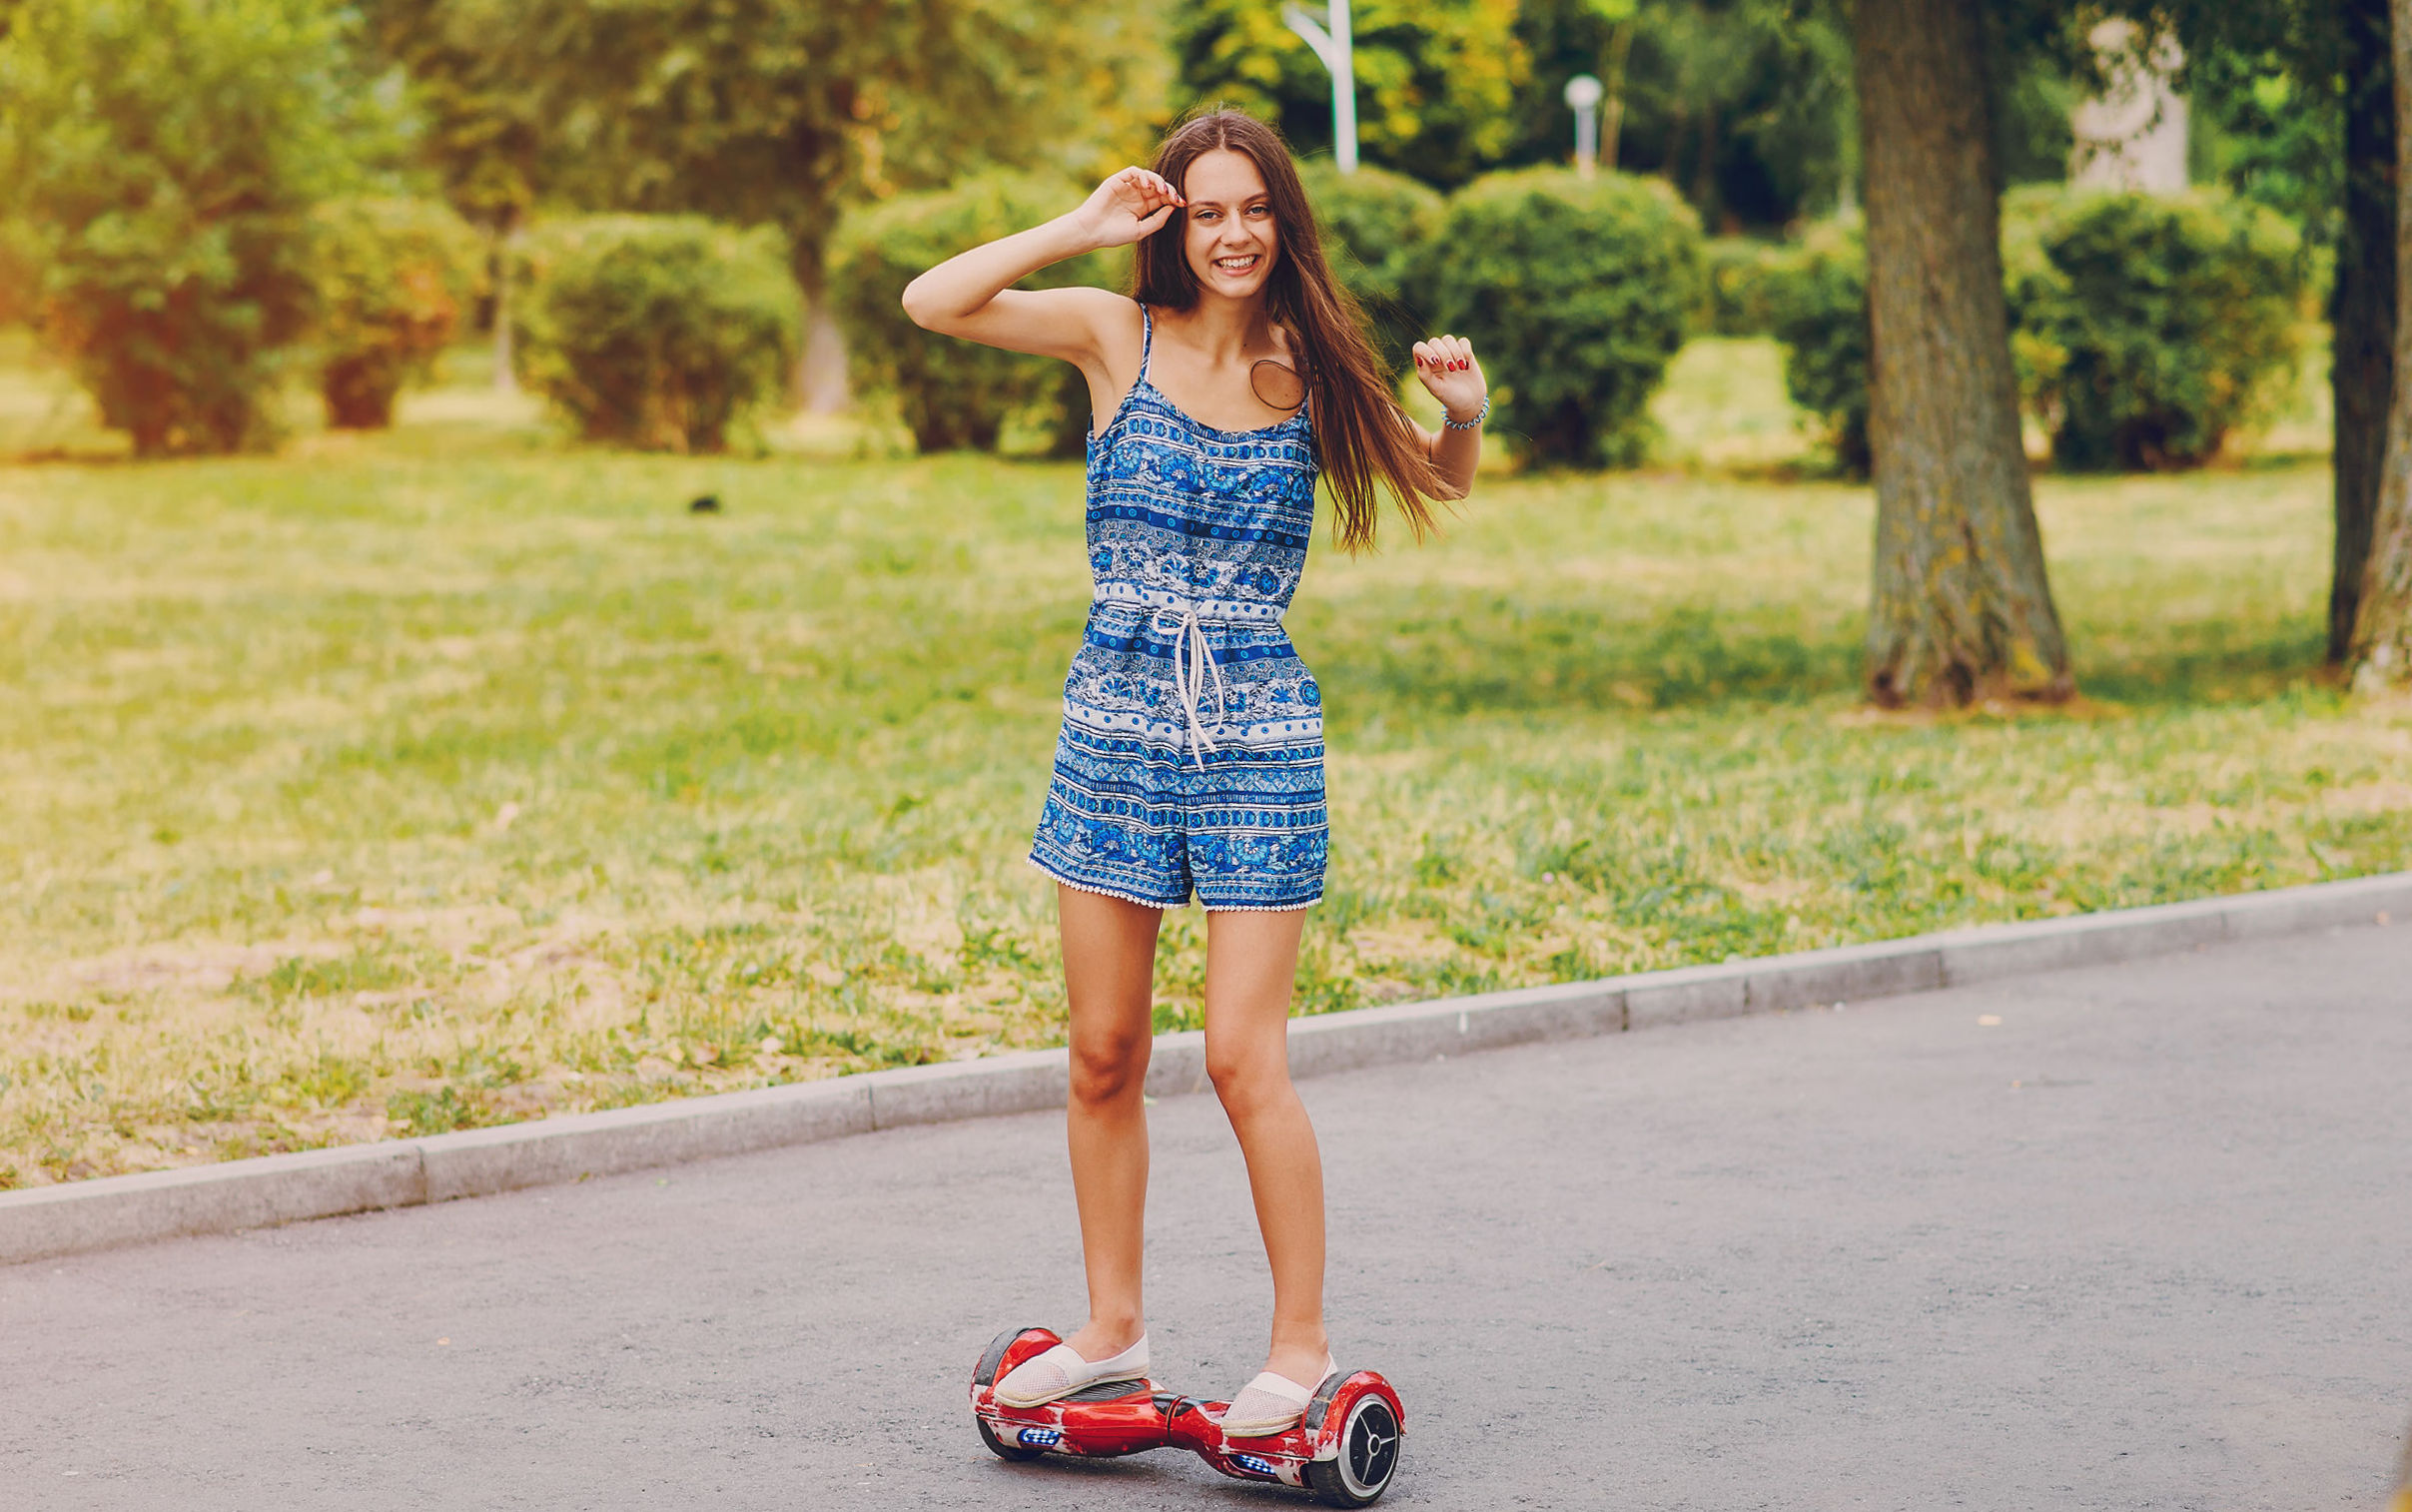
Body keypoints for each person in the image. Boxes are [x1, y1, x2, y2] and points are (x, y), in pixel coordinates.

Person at [902, 109, 1489, 1437]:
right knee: (1102, 1050)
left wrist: (1467, 418)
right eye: (1207, 209)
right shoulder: (1119, 334)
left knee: (1241, 1055)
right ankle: (1112, 1333)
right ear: (1177, 219)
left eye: (1253, 209)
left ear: (1284, 221)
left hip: (1258, 737)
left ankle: (1300, 1343)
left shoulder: (1314, 368)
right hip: (1114, 724)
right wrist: (1087, 224)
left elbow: (1437, 484)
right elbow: (932, 300)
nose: (1231, 234)